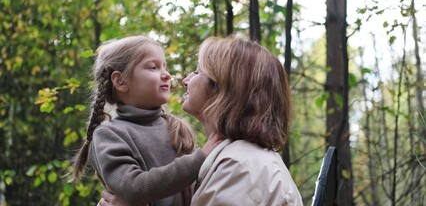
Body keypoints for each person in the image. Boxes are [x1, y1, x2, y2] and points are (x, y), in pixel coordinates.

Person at [100, 36, 303, 205]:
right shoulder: (233, 159)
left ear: (222, 89)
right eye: (153, 68)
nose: (184, 80)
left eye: (197, 72)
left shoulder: (238, 167)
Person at [71, 35, 222, 206]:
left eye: (165, 67)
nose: (166, 75)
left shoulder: (176, 127)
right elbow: (133, 188)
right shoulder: (109, 135)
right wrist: (200, 159)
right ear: (120, 81)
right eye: (153, 68)